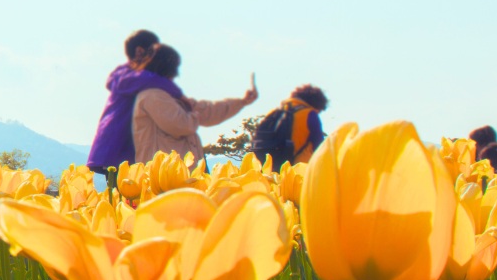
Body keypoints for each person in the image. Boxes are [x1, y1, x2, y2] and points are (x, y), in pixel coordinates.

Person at [130, 44, 258, 163]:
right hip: (164, 179)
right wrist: (195, 116)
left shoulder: (170, 96)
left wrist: (242, 102)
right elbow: (180, 125)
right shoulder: (152, 96)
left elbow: (209, 112)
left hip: (180, 174)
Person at [87, 30, 185, 178]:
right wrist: (178, 94)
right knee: (122, 188)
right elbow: (149, 80)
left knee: (128, 188)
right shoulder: (129, 75)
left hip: (125, 144)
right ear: (140, 51)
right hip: (118, 144)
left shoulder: (132, 74)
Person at [249, 85, 328, 170]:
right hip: (296, 171)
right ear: (317, 104)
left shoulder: (275, 112)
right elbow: (320, 148)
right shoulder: (310, 114)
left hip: (264, 167)